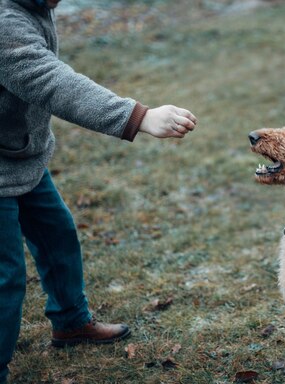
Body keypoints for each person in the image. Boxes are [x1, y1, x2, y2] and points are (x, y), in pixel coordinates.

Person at [0, 0, 198, 381]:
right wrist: (137, 117)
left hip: (23, 154)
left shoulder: (34, 6)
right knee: (5, 276)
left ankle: (71, 322)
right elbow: (52, 81)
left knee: (57, 236)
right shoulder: (5, 22)